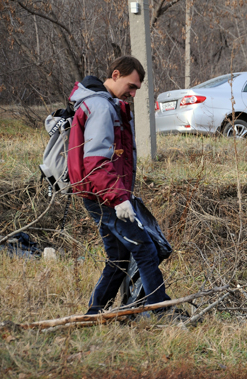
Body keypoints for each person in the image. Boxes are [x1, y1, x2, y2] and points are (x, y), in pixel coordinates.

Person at [67, 56, 173, 316]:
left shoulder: (105, 104)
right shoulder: (101, 108)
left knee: (118, 259)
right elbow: (96, 162)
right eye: (132, 85)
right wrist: (119, 199)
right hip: (104, 196)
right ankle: (162, 312)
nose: (134, 93)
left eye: (136, 89)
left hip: (99, 195)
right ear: (115, 75)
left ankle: (93, 314)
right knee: (145, 248)